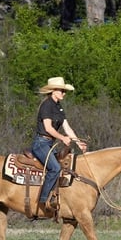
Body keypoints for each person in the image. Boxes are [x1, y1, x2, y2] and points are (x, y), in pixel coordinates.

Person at [31, 76, 87, 218]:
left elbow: (67, 128)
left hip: (50, 144)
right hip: (41, 143)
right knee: (55, 168)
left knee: (65, 165)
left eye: (64, 91)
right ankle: (43, 201)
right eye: (61, 90)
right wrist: (62, 138)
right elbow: (48, 128)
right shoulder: (46, 106)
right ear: (53, 91)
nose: (64, 93)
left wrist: (78, 142)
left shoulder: (58, 107)